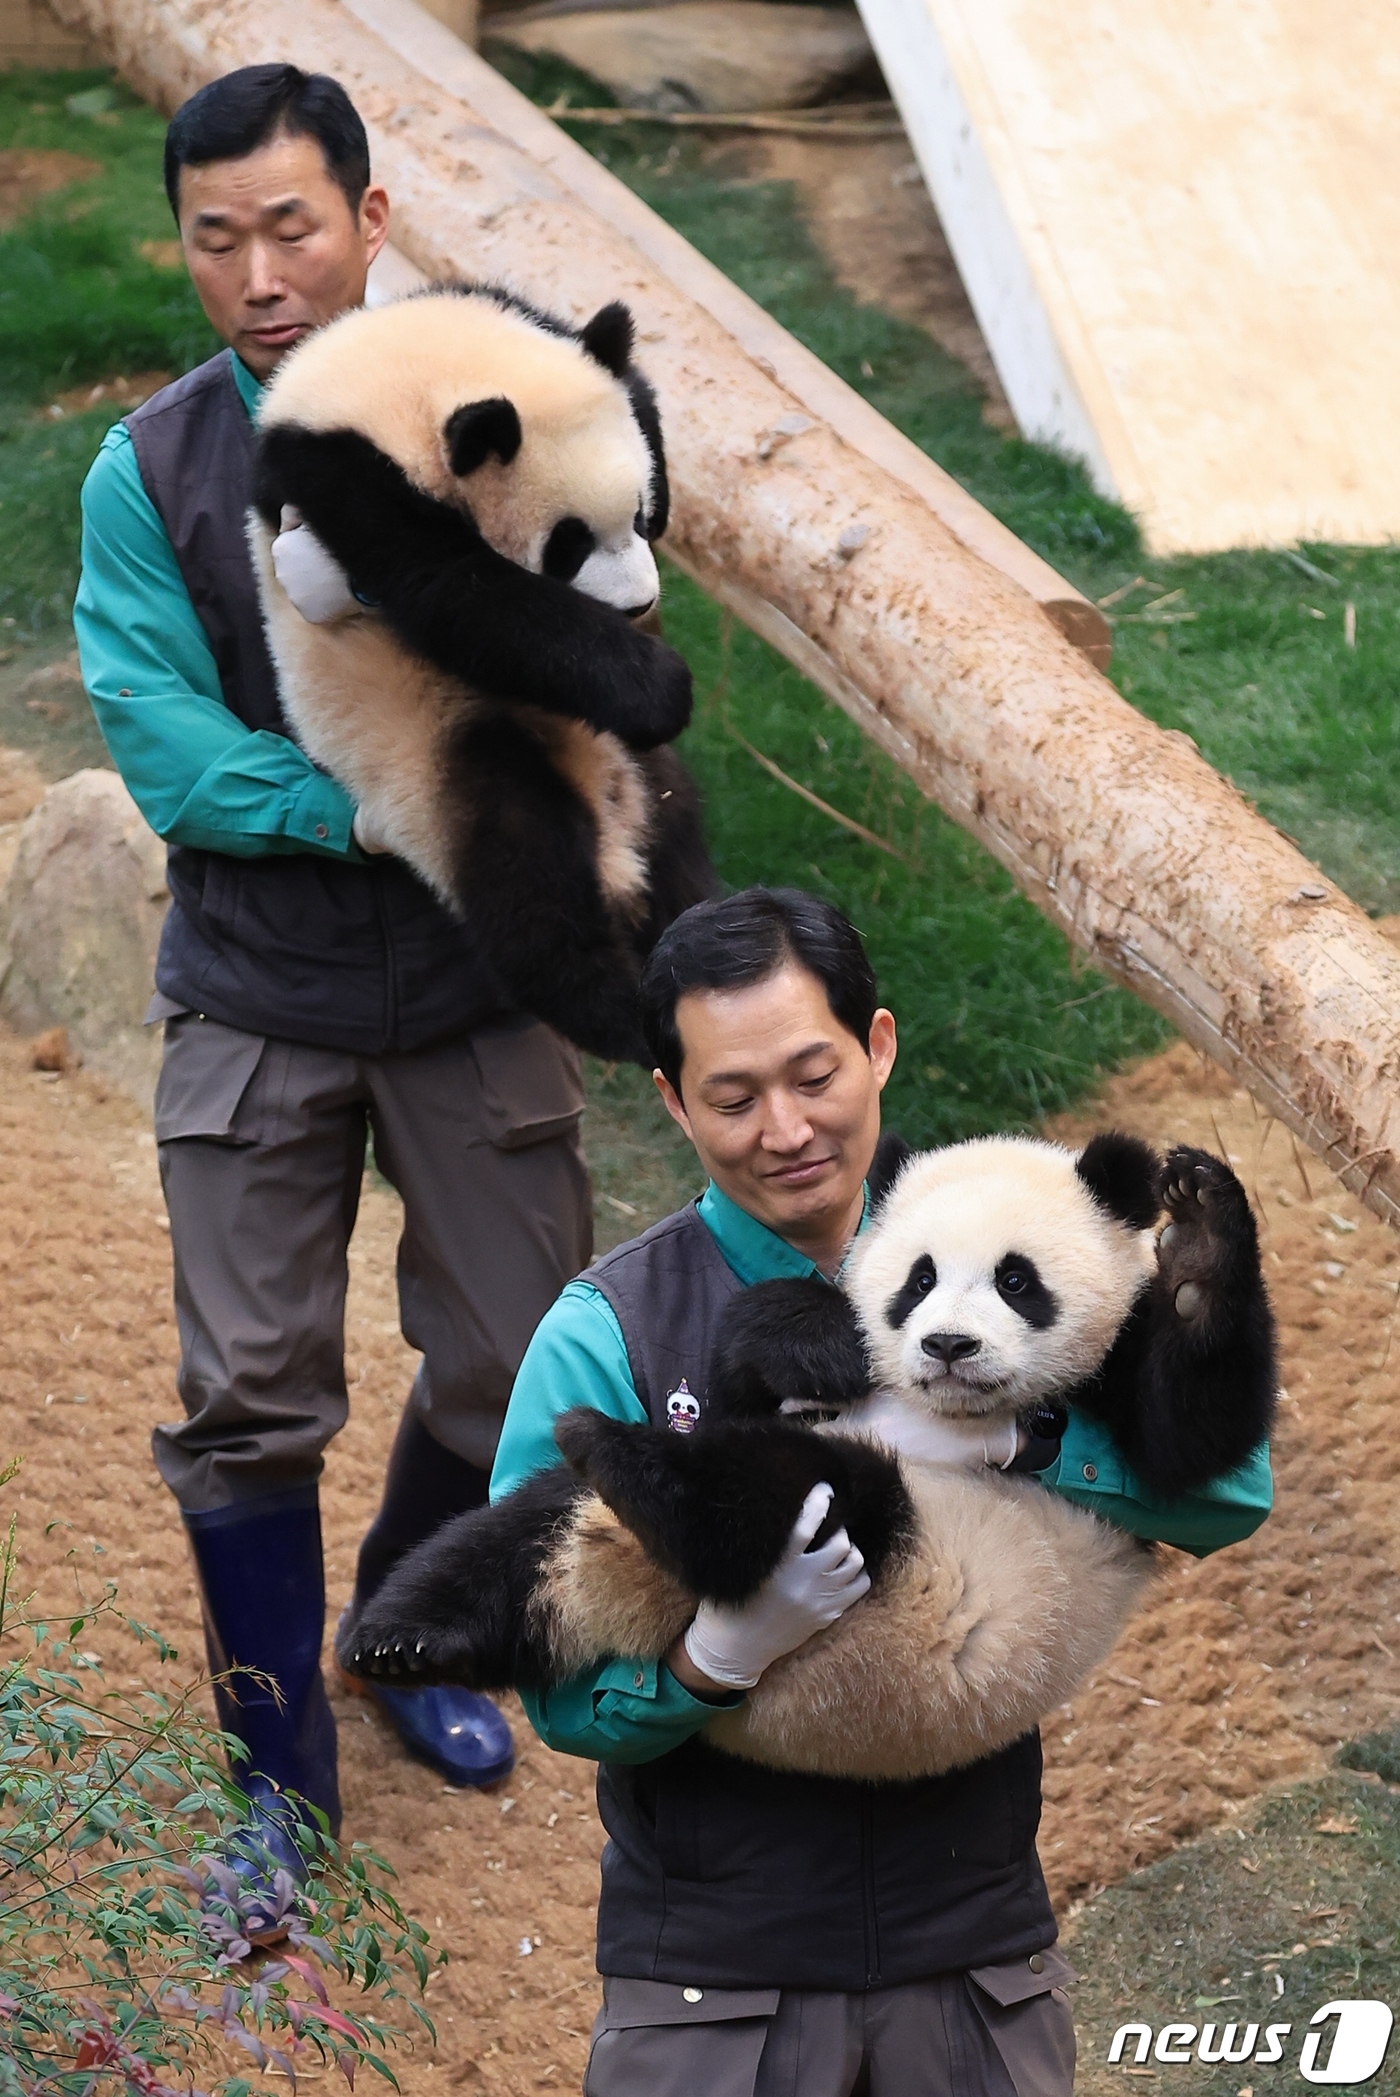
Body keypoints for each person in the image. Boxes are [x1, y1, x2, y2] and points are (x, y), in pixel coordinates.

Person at [491, 886, 1272, 2097]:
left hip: (969, 1951)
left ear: (878, 1046)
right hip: (711, 1976)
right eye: (733, 1098)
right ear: (668, 1101)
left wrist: (1021, 1444)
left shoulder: (1019, 1222)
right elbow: (558, 1686)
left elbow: (1229, 1491)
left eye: (814, 1076)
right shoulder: (608, 1332)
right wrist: (717, 1658)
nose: (786, 1128)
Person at [72, 64, 593, 1878]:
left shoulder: (508, 409)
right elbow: (164, 743)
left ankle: (398, 1634)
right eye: (219, 240)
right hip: (259, 989)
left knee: (516, 1357)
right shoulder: (148, 469)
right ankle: (277, 1793)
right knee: (250, 1395)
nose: (260, 271)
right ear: (190, 252)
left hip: (474, 986)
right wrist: (378, 806)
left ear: (373, 221)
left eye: (294, 225)